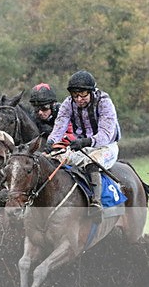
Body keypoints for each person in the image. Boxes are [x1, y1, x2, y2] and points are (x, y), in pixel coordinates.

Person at [43, 70, 121, 218]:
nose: (79, 99)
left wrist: (87, 141)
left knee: (92, 162)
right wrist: (51, 142)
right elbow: (60, 126)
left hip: (106, 146)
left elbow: (106, 135)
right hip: (81, 145)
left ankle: (96, 203)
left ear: (91, 91)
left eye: (83, 95)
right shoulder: (68, 103)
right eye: (75, 95)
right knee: (52, 158)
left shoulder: (104, 102)